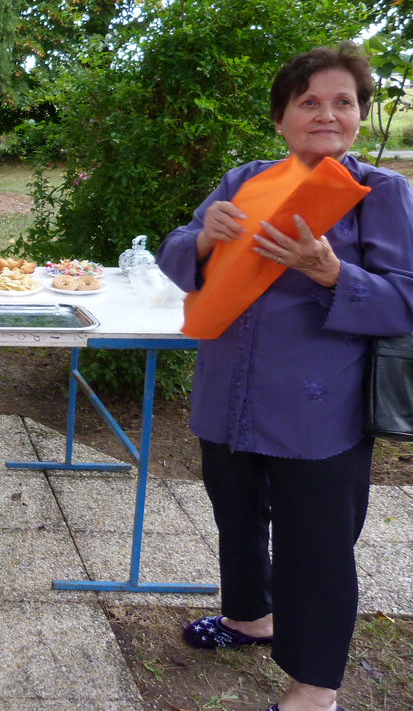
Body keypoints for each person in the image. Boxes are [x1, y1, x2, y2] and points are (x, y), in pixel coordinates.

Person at [157, 42, 413, 711]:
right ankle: (249, 618)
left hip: (317, 410)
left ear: (359, 114)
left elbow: (405, 300)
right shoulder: (244, 180)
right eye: (308, 101)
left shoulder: (381, 194)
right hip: (228, 394)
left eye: (342, 101)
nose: (326, 113)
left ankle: (314, 690)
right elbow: (175, 253)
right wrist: (203, 237)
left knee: (316, 547)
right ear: (280, 118)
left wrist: (331, 273)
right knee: (236, 515)